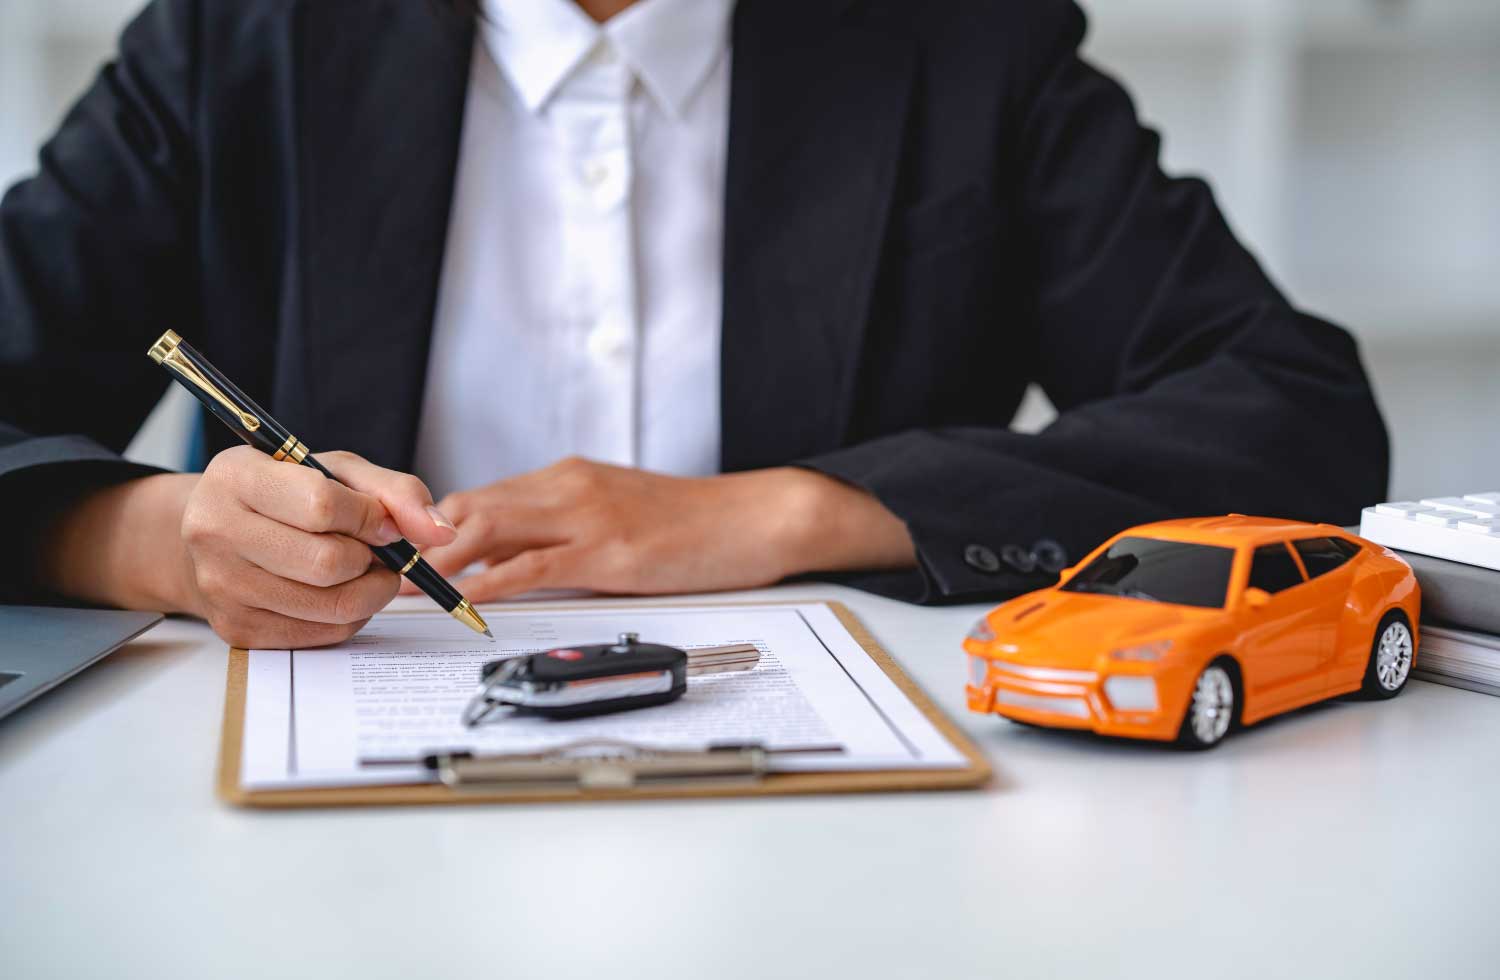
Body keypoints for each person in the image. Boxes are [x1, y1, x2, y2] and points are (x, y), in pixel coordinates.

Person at [0, 0, 1388, 649]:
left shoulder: (965, 40)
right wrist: (154, 542)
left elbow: (1294, 409)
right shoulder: (239, 39)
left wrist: (796, 512)